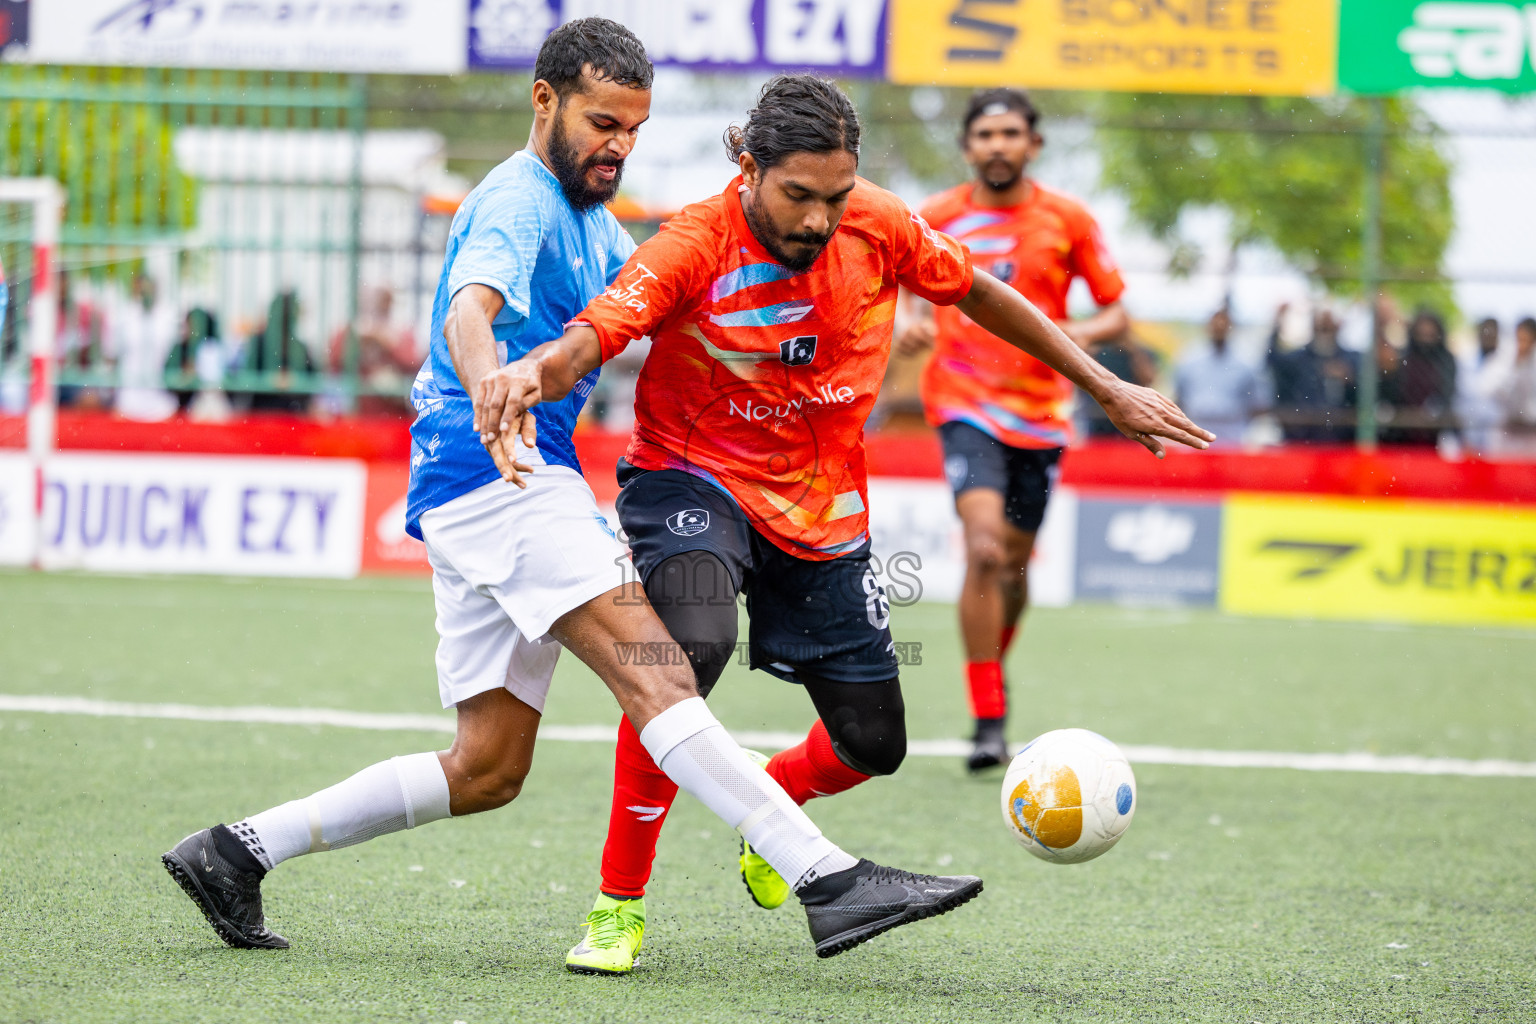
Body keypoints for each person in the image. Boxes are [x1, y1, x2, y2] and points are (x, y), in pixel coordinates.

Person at [160, 22, 982, 969]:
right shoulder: (518, 200)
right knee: (658, 671)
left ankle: (234, 852)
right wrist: (489, 389)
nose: (619, 145)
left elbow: (656, 309)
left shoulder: (595, 219)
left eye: (633, 126)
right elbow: (474, 307)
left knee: (488, 768)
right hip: (503, 478)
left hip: (478, 488)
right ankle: (826, 879)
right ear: (543, 101)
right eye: (602, 121)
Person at [486, 74, 1212, 974]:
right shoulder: (693, 242)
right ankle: (616, 909)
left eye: (836, 196)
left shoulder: (880, 220)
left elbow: (980, 293)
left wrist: (1105, 385)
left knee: (876, 743)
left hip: (824, 503)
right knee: (684, 657)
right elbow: (591, 338)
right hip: (690, 477)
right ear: (749, 167)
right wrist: (528, 377)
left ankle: (771, 816)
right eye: (799, 197)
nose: (821, 220)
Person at [894, 88, 1134, 770]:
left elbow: (1117, 312)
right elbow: (905, 285)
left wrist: (1068, 336)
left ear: (1033, 144)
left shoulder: (1069, 220)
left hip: (1042, 413)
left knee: (1017, 571)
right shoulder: (934, 216)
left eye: (1010, 133)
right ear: (968, 147)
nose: (997, 145)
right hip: (963, 404)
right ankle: (988, 715)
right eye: (985, 134)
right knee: (986, 550)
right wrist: (911, 320)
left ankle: (990, 673)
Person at [1175, 307, 1266, 448]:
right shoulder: (1190, 358)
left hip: (1232, 435)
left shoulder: (1246, 362)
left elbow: (1258, 403)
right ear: (1208, 326)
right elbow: (1179, 397)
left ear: (1231, 327)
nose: (1219, 328)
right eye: (1215, 324)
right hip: (1196, 431)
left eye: (1223, 324)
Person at [1268, 304, 1358, 443]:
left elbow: (1368, 389)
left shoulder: (1351, 359)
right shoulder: (1299, 359)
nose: (1325, 330)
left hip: (1341, 441)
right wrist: (1278, 322)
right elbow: (1273, 361)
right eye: (1321, 326)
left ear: (1338, 327)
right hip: (1304, 439)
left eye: (1329, 326)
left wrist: (1349, 378)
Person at [1379, 309, 1457, 447]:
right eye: (1421, 332)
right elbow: (1392, 394)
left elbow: (1446, 393)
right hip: (1402, 432)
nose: (1425, 337)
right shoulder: (1403, 359)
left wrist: (1430, 412)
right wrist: (1387, 373)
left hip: (1434, 434)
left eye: (1430, 333)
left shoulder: (1445, 360)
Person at [1487, 317, 1536, 457]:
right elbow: (1491, 391)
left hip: (1531, 433)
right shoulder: (1503, 359)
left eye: (1527, 340)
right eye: (1520, 339)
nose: (1523, 345)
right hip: (1506, 431)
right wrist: (1515, 367)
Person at [1458, 318, 1503, 454]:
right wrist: (1463, 437)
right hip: (1469, 434)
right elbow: (1460, 399)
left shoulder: (1505, 363)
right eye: (1484, 332)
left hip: (1498, 435)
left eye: (1491, 333)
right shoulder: (1466, 361)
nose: (1487, 336)